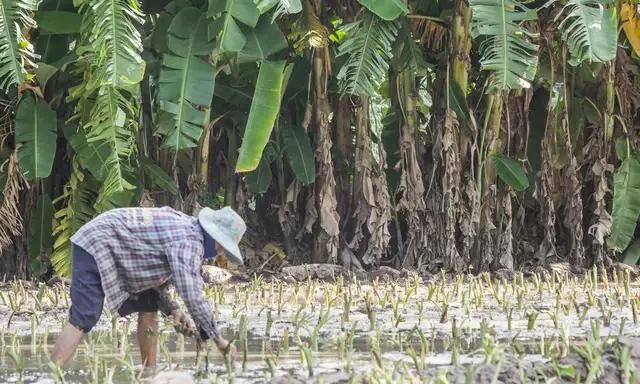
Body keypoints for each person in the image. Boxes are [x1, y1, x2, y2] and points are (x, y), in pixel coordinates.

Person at [50, 205, 246, 370]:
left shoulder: (187, 229)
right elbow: (192, 295)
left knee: (149, 306)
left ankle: (148, 373)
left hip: (125, 251)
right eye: (221, 247)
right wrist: (218, 339)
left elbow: (156, 279)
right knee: (84, 317)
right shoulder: (189, 242)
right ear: (213, 236)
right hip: (97, 243)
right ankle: (51, 376)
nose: (219, 252)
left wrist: (173, 310)